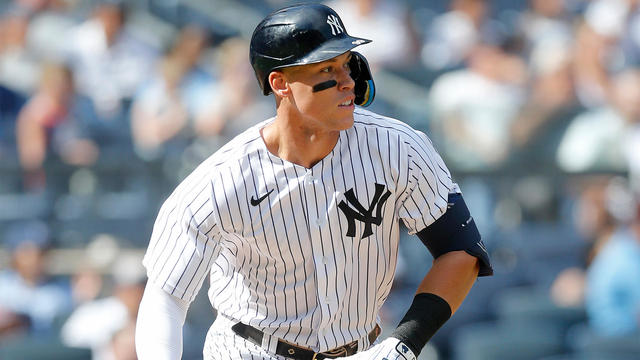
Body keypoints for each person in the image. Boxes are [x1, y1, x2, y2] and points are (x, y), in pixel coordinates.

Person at [135, 4, 492, 360]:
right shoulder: (222, 179)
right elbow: (166, 296)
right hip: (252, 350)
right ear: (280, 83)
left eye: (347, 63)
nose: (348, 80)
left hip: (362, 349)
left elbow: (460, 250)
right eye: (327, 68)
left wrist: (403, 344)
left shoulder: (397, 147)